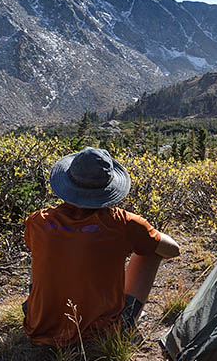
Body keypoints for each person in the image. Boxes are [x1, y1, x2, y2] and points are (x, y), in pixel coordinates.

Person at [22, 146, 180, 346]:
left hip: (37, 326)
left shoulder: (38, 220)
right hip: (98, 335)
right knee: (151, 250)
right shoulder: (123, 223)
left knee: (47, 248)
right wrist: (148, 233)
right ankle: (123, 321)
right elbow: (173, 250)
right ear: (108, 188)